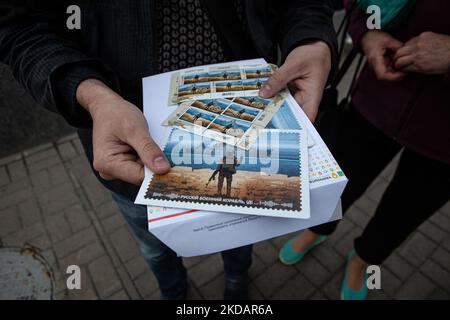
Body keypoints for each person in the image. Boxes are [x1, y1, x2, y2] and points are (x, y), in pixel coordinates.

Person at [0, 0, 337, 299]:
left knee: (239, 230)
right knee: (156, 248)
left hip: (249, 120)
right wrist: (90, 93)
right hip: (133, 149)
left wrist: (310, 37)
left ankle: (236, 278)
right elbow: (20, 25)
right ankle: (173, 290)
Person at [279, 0, 450, 300]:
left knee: (405, 211)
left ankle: (363, 259)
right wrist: (367, 34)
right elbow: (364, 4)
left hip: (444, 141)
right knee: (340, 181)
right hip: (378, 96)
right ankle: (318, 230)